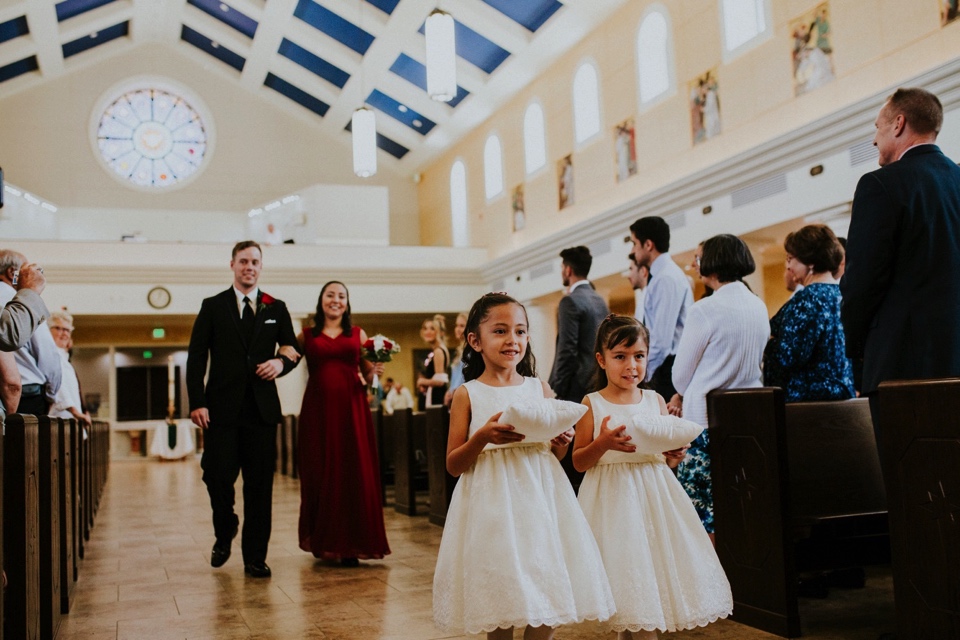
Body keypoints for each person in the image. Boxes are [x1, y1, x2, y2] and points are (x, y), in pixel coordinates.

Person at [433, 293, 615, 638]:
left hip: (540, 503)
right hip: (493, 509)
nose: (512, 340)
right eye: (500, 331)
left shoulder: (541, 389)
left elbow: (555, 456)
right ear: (475, 340)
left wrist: (559, 442)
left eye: (520, 331)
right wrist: (483, 437)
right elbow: (454, 464)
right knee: (500, 598)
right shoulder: (467, 394)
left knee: (545, 589)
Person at [573, 315, 732, 637]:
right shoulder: (592, 403)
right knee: (623, 578)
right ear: (602, 360)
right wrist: (603, 443)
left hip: (654, 498)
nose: (631, 365)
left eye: (639, 356)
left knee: (651, 580)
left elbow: (663, 456)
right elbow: (578, 462)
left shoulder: (655, 400)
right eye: (620, 357)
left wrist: (673, 455)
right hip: (612, 503)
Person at [841, 87, 960, 425]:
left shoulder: (880, 185)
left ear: (898, 124)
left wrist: (858, 354)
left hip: (904, 367)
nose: (875, 140)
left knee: (912, 473)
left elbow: (862, 282)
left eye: (877, 128)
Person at [187, 241, 300, 578]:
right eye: (243, 261)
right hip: (221, 410)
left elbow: (293, 347)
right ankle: (225, 529)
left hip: (261, 412)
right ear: (232, 265)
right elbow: (196, 357)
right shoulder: (213, 306)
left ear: (261, 267)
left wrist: (280, 364)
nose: (249, 266)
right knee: (217, 477)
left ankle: (255, 557)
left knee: (259, 487)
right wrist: (197, 402)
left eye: (255, 261)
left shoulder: (275, 307)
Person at [670, 235, 770, 537]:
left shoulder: (706, 309)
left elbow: (681, 377)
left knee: (699, 519)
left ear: (714, 261)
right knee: (738, 506)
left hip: (705, 425)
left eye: (699, 257)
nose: (695, 263)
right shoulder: (758, 305)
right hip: (746, 422)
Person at [296, 281, 390, 566]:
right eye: (330, 295)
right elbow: (286, 359)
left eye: (341, 296)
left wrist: (375, 372)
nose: (335, 300)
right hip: (318, 410)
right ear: (321, 300)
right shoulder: (306, 335)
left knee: (353, 470)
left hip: (352, 410)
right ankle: (324, 540)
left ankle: (353, 544)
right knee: (319, 470)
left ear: (347, 303)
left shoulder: (358, 335)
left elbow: (371, 381)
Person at [764, 224, 854, 402]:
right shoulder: (841, 294)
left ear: (810, 262)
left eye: (791, 259)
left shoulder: (808, 298)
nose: (788, 266)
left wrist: (770, 344)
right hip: (844, 391)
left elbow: (789, 356)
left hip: (812, 400)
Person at [630, 217, 693, 399]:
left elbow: (661, 341)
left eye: (635, 244)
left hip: (666, 368)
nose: (633, 251)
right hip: (663, 366)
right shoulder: (660, 276)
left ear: (648, 245)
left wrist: (642, 376)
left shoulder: (666, 278)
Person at [0, 250, 61, 415]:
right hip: (26, 395)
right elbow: (47, 354)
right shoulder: (22, 301)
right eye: (27, 270)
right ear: (13, 272)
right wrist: (51, 396)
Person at [47, 311, 92, 428]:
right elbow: (58, 388)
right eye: (58, 328)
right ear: (48, 330)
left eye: (67, 330)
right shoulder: (50, 355)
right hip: (60, 421)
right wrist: (75, 412)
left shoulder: (64, 358)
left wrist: (83, 411)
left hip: (71, 421)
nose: (64, 333)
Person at [417, 314, 450, 410]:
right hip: (433, 394)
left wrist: (422, 381)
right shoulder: (436, 350)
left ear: (439, 332)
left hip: (437, 398)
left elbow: (440, 381)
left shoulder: (438, 351)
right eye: (425, 328)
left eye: (432, 328)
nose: (428, 332)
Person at [444, 312, 468, 405]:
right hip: (454, 393)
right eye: (457, 325)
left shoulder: (470, 351)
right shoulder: (459, 350)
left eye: (462, 326)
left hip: (461, 394)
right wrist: (449, 391)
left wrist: (454, 390)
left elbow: (464, 375)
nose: (458, 329)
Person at [625, 253, 649, 324]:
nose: (629, 276)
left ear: (643, 271)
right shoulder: (643, 299)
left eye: (631, 269)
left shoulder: (648, 298)